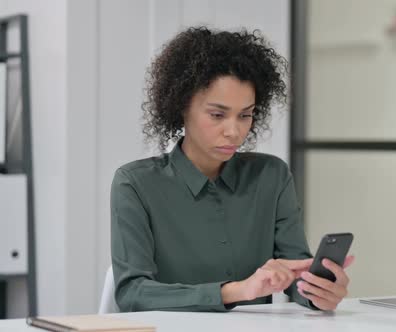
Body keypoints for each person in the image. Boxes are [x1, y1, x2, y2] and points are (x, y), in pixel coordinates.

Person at [110, 26, 354, 312]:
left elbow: (294, 274)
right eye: (217, 114)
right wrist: (238, 290)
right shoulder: (135, 184)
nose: (234, 131)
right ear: (181, 107)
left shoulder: (271, 176)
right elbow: (133, 292)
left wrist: (317, 291)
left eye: (245, 115)